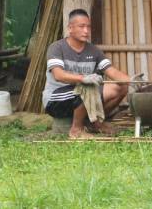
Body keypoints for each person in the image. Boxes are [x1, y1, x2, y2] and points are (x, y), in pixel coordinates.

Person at [42, 8, 131, 138]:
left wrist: (130, 80)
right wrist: (83, 78)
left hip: (81, 96)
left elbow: (111, 71)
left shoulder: (94, 51)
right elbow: (58, 75)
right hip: (55, 99)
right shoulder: (57, 47)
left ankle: (95, 123)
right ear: (70, 28)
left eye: (88, 27)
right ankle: (76, 130)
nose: (86, 31)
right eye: (81, 26)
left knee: (121, 87)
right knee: (87, 87)